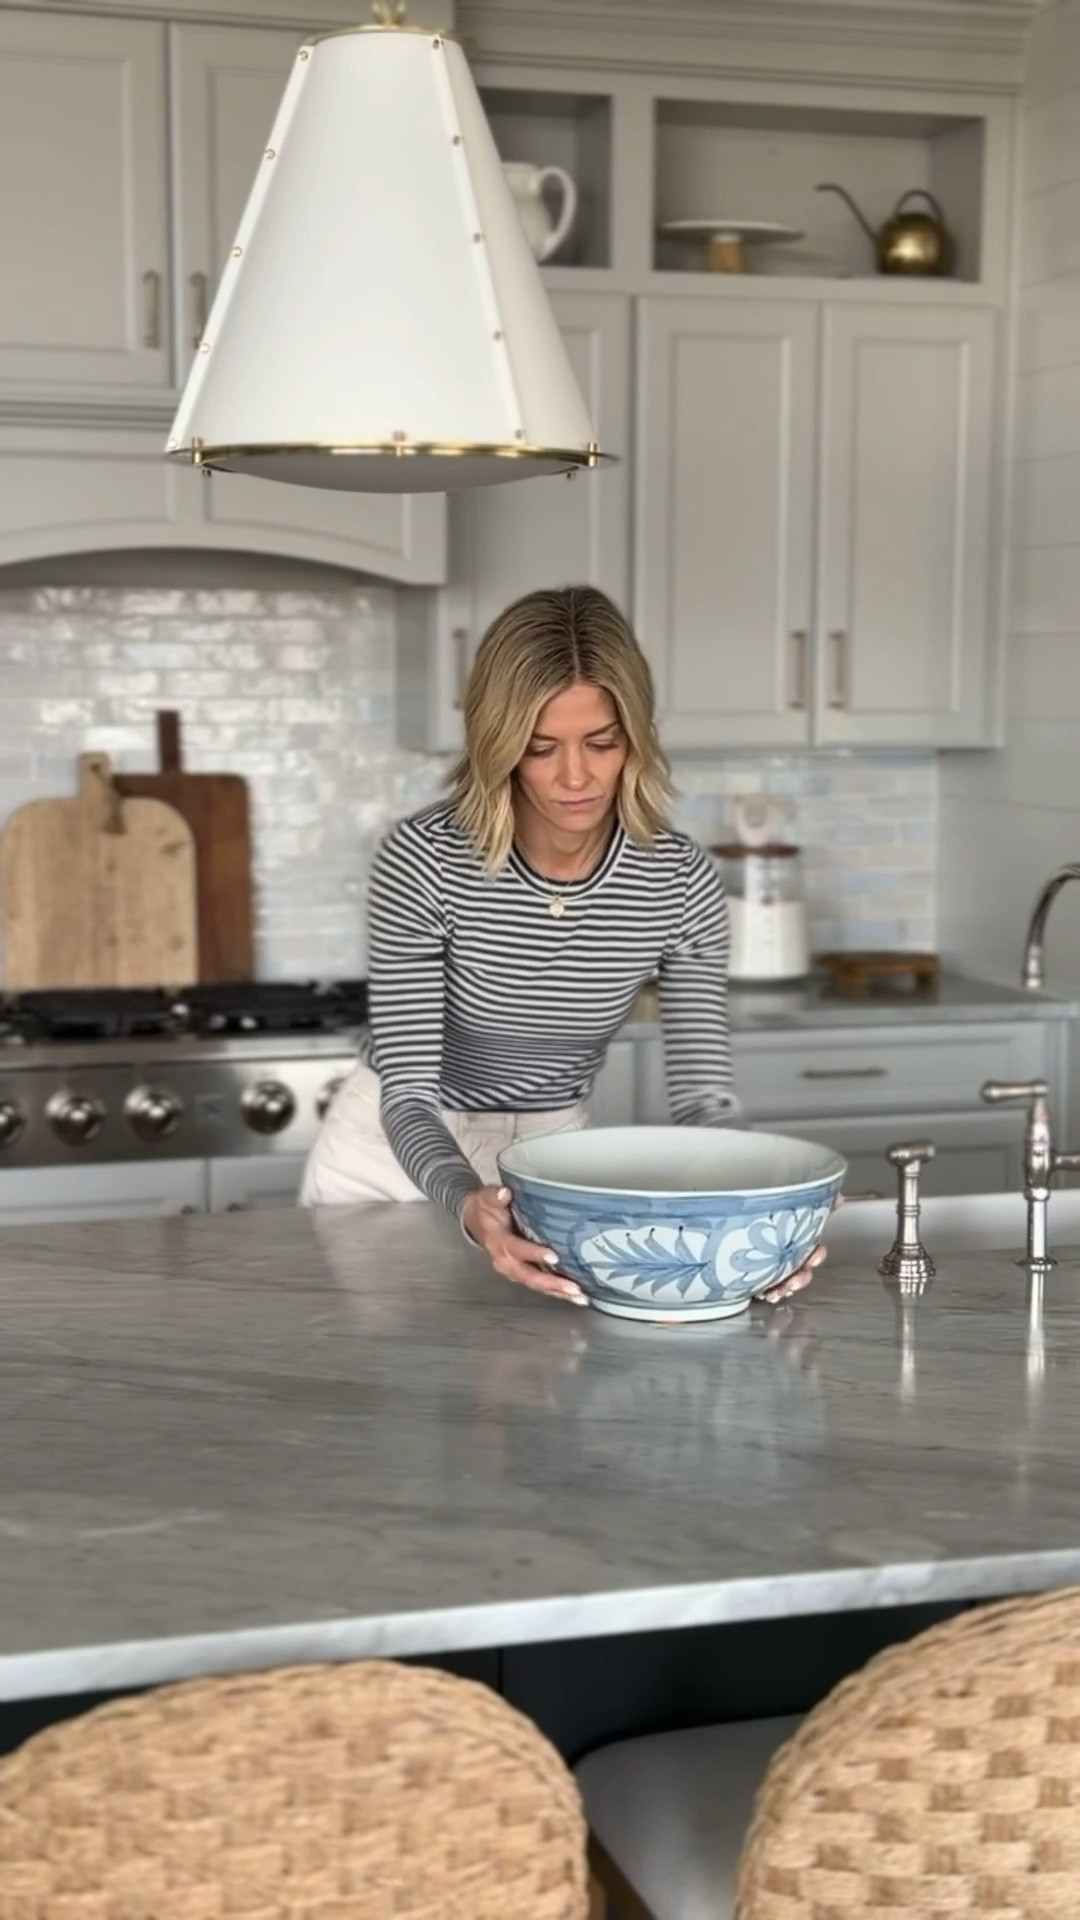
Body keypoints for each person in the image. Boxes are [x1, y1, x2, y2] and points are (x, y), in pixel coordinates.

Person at [300, 585, 826, 1308]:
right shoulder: (424, 860)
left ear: (635, 736)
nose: (575, 776)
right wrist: (467, 1202)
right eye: (541, 748)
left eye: (601, 743)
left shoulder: (678, 878)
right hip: (394, 1162)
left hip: (551, 1163)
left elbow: (705, 1100)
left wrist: (770, 1216)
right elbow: (411, 1094)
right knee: (391, 1398)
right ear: (498, 743)